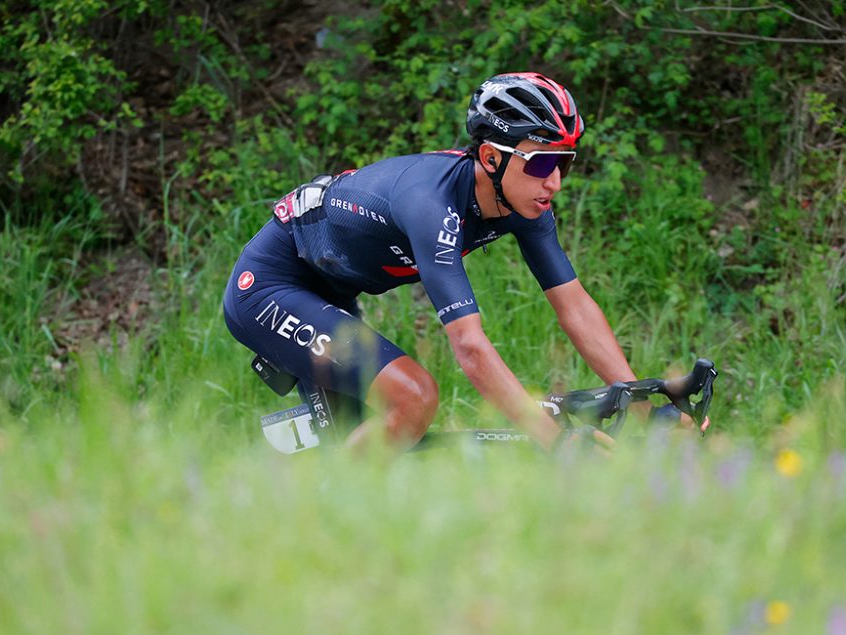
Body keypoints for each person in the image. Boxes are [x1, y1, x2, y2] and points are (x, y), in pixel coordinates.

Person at [224, 72, 706, 452]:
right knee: (413, 397)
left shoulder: (525, 204)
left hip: (333, 291)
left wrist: (644, 410)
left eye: (565, 162)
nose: (555, 181)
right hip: (269, 287)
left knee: (379, 444)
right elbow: (470, 347)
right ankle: (310, 524)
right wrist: (557, 446)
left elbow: (574, 306)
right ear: (493, 160)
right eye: (541, 163)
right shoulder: (431, 204)